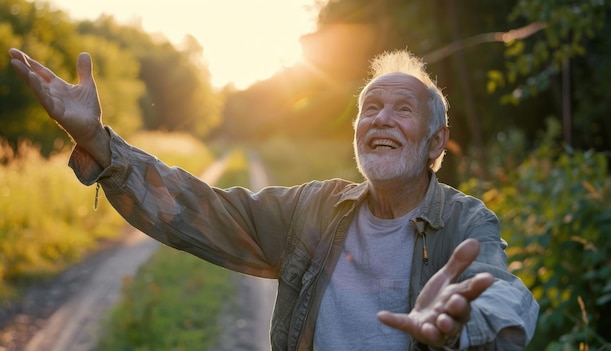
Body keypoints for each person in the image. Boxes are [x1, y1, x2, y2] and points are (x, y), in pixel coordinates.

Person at [8, 47, 538, 350]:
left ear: (435, 142)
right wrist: (98, 142)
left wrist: (464, 323)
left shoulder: (466, 222)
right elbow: (198, 209)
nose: (380, 117)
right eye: (370, 107)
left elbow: (506, 295)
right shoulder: (312, 210)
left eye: (402, 109)